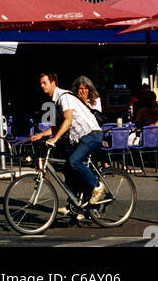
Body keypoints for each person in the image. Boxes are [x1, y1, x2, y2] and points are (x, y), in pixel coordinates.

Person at [30, 71, 105, 216]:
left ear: (53, 83)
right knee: (68, 169)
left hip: (91, 134)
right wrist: (42, 135)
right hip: (80, 138)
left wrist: (55, 139)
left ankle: (97, 186)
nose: (42, 86)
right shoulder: (56, 101)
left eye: (44, 83)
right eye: (40, 83)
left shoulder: (64, 97)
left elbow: (68, 120)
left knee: (74, 162)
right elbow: (58, 126)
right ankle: (75, 204)